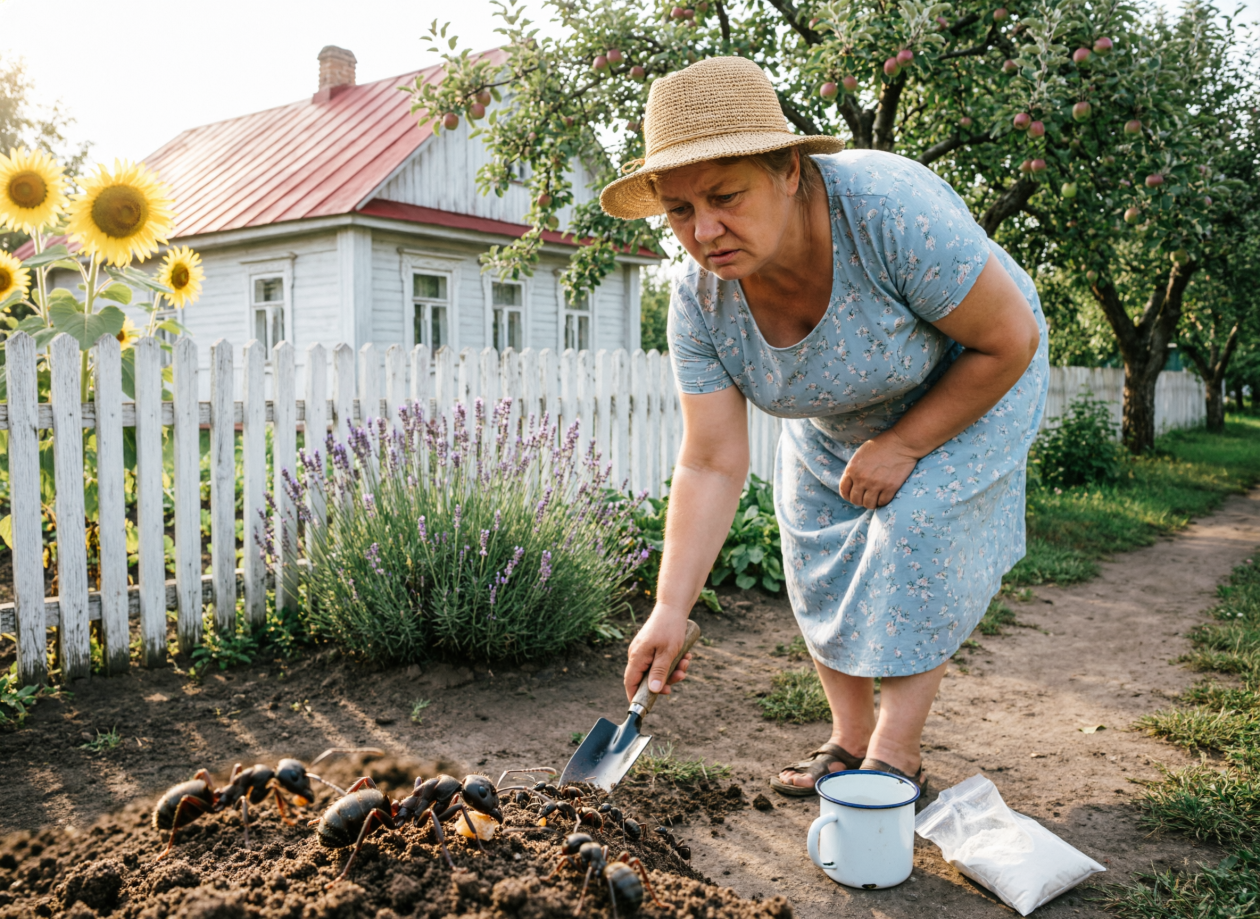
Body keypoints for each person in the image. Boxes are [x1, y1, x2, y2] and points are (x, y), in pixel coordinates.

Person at [602, 56, 1048, 796]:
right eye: (680, 211)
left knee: (915, 525)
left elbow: (1009, 339)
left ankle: (893, 757)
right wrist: (669, 608)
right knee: (813, 539)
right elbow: (712, 460)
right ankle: (845, 740)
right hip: (838, 414)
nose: (704, 230)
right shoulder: (700, 302)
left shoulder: (887, 213)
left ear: (786, 170)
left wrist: (905, 444)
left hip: (972, 374)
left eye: (724, 195)